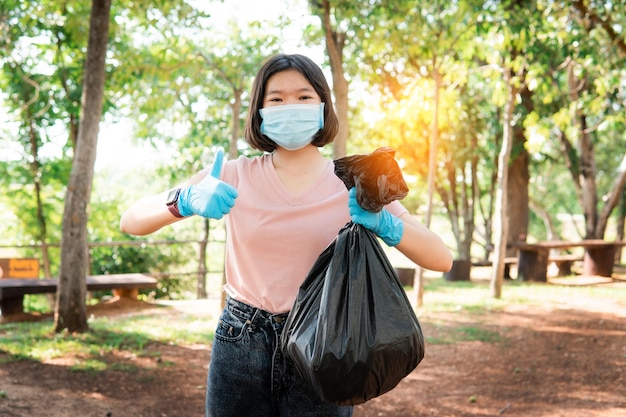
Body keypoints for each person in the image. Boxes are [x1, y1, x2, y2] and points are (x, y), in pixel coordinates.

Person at [120, 53, 453, 417]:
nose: (289, 106)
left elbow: (440, 257)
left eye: (303, 96)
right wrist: (182, 201)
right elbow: (132, 221)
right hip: (240, 340)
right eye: (276, 99)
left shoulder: (355, 183)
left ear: (323, 106)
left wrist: (388, 226)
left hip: (326, 341)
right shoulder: (233, 174)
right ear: (259, 111)